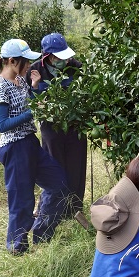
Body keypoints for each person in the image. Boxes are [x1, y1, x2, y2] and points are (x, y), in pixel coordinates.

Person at [0, 39, 71, 255]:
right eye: (26, 62)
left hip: (30, 143)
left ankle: (41, 234)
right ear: (12, 61)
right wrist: (32, 111)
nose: (29, 66)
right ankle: (17, 248)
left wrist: (34, 88)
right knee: (22, 201)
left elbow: (28, 102)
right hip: (14, 148)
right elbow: (2, 125)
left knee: (59, 183)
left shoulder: (20, 80)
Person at [27, 33, 87, 218]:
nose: (66, 60)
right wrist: (35, 87)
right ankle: (52, 209)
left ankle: (74, 209)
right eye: (60, 57)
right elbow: (32, 103)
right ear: (49, 57)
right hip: (50, 128)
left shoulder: (76, 67)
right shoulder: (35, 71)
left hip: (75, 125)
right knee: (54, 166)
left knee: (76, 166)